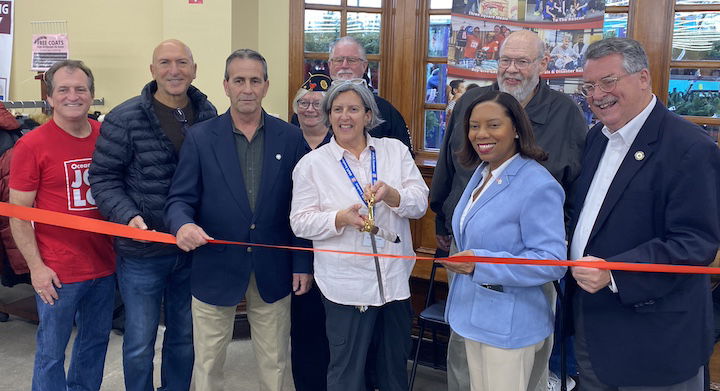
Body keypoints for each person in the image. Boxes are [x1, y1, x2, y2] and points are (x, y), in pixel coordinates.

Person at [430, 29, 586, 391]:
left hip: (523, 261)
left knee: (511, 367)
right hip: (465, 247)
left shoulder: (565, 114)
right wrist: (443, 218)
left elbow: (576, 186)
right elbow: (449, 167)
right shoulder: (474, 106)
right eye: (505, 60)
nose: (511, 69)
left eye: (522, 61)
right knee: (464, 348)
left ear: (543, 64)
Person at [568, 37, 720, 390]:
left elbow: (695, 244)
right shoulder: (597, 138)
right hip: (593, 328)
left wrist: (615, 273)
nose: (596, 94)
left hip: (655, 342)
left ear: (643, 79)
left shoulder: (690, 147)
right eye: (589, 86)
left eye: (608, 81)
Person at [165, 49, 313, 391]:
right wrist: (182, 224)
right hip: (214, 267)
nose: (247, 89)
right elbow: (179, 199)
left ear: (265, 86)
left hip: (274, 269)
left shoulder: (290, 139)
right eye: (239, 81)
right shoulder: (201, 138)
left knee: (276, 360)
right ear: (226, 86)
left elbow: (302, 207)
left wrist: (302, 262)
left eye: (255, 81)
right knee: (207, 361)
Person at [89, 39, 217, 391]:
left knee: (184, 336)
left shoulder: (208, 114)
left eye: (181, 63)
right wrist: (127, 215)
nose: (173, 70)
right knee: (139, 341)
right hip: (142, 252)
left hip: (192, 249)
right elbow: (102, 177)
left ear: (194, 68)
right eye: (164, 62)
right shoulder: (124, 117)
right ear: (152, 70)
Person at [290, 79, 428, 391]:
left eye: (353, 109)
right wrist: (339, 218)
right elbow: (300, 223)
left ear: (368, 115)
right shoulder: (312, 165)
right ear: (329, 116)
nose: (344, 116)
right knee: (346, 374)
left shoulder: (394, 151)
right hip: (345, 288)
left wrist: (393, 195)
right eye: (337, 109)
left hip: (395, 283)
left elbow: (420, 203)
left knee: (393, 371)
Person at [439, 90, 566, 391]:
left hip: (510, 327)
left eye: (493, 125)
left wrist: (479, 264)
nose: (480, 134)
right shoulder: (483, 172)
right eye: (473, 125)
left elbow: (552, 262)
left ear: (517, 130)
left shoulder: (538, 185)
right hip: (474, 317)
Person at [9, 60, 115, 390]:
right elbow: (19, 214)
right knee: (52, 353)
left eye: (80, 89)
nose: (73, 96)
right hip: (58, 272)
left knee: (95, 345)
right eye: (63, 90)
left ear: (92, 95)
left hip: (105, 267)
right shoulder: (30, 145)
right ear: (50, 98)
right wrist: (37, 268)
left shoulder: (107, 137)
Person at [292, 36, 413, 154]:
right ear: (330, 65)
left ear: (364, 66)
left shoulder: (385, 110)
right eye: (339, 60)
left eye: (351, 60)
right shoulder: (308, 109)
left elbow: (403, 157)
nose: (344, 65)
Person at [289, 73, 332, 391]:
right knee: (303, 331)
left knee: (339, 334)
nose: (309, 108)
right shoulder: (285, 142)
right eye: (303, 102)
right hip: (296, 253)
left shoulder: (343, 144)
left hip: (337, 252)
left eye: (317, 103)